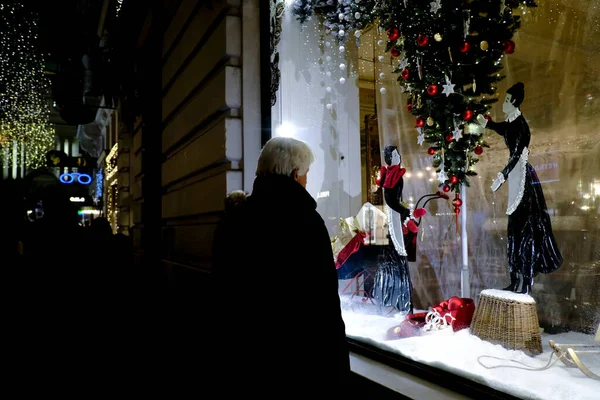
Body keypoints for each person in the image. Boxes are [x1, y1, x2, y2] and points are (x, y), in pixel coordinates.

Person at [211, 136, 350, 395]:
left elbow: (221, 293)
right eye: (306, 173)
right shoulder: (305, 222)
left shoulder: (233, 221)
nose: (307, 180)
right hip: (298, 364)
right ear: (295, 173)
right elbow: (323, 305)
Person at [477, 82, 563, 294]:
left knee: (524, 231)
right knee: (514, 231)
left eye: (507, 100)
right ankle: (515, 280)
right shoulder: (511, 122)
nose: (503, 104)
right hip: (516, 177)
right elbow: (501, 128)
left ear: (514, 102)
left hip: (522, 178)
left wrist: (501, 176)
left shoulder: (521, 126)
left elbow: (516, 155)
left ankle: (525, 282)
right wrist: (487, 123)